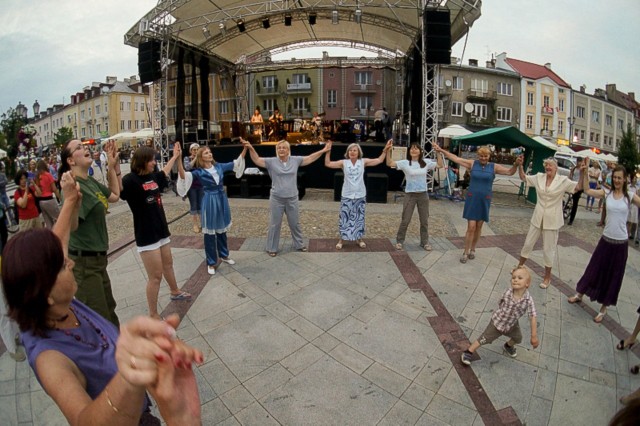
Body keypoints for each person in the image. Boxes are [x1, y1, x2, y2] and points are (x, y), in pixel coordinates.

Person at [1, 172, 203, 425]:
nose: (71, 263)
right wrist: (130, 371)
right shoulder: (48, 357)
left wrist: (71, 199)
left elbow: (58, 240)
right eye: (64, 265)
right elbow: (83, 420)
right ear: (45, 293)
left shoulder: (56, 304)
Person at [120, 144, 192, 319]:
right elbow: (118, 192)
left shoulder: (152, 176)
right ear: (142, 161)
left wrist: (175, 157)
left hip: (161, 230)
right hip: (146, 234)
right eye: (152, 159)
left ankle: (175, 291)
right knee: (155, 277)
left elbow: (164, 172)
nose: (154, 162)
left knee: (168, 264)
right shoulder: (130, 180)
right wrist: (113, 166)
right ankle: (153, 314)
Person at [57, 139, 122, 326]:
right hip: (84, 263)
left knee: (110, 311)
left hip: (98, 261)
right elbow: (72, 226)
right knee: (101, 321)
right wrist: (72, 201)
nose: (85, 148)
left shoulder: (89, 181)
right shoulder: (73, 186)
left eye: (84, 146)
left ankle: (118, 353)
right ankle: (110, 354)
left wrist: (111, 167)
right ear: (70, 161)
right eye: (79, 148)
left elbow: (115, 196)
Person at [567, 166, 640, 322]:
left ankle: (604, 308)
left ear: (625, 179)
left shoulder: (630, 196)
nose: (617, 180)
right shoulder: (607, 193)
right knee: (594, 268)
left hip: (621, 244)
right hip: (605, 240)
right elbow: (587, 190)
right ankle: (580, 294)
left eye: (620, 178)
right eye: (615, 177)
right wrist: (585, 173)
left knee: (614, 276)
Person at [242, 139, 330, 257]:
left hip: (292, 198)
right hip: (277, 198)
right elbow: (256, 159)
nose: (281, 150)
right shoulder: (271, 162)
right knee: (275, 223)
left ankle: (299, 244)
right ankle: (272, 247)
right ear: (276, 150)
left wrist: (323, 150)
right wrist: (251, 148)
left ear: (288, 150)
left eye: (284, 148)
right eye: (279, 148)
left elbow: (310, 158)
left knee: (294, 223)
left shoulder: (295, 160)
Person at [434, 145, 521, 262]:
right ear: (478, 156)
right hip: (472, 198)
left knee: (479, 226)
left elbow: (510, 172)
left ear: (489, 156)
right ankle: (465, 251)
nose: (483, 158)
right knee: (471, 226)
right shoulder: (473, 164)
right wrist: (441, 150)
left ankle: (473, 249)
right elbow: (455, 158)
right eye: (481, 156)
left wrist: (516, 164)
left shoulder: (494, 167)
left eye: (486, 156)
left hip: (484, 199)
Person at [514, 156, 587, 289]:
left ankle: (547, 277)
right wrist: (520, 165)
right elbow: (524, 178)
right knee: (528, 243)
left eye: (550, 165)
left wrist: (582, 173)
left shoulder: (562, 180)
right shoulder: (539, 177)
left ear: (556, 168)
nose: (548, 167)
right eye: (546, 165)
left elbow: (578, 187)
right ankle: (519, 266)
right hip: (538, 217)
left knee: (549, 249)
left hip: (552, 220)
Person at [177, 143, 247, 275]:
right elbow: (183, 175)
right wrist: (178, 158)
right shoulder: (198, 172)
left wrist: (245, 148)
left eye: (210, 152)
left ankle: (224, 255)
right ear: (201, 157)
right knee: (209, 233)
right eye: (206, 153)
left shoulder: (219, 166)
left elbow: (236, 162)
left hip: (221, 199)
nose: (209, 154)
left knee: (222, 229)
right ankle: (211, 262)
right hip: (209, 200)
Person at [461, 266, 538, 365]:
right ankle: (468, 352)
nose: (515, 280)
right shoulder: (508, 292)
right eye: (513, 277)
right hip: (498, 322)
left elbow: (533, 317)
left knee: (518, 338)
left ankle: (508, 346)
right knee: (484, 338)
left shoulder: (528, 300)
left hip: (512, 324)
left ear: (527, 283)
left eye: (520, 278)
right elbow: (500, 302)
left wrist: (534, 336)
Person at [324, 142, 390, 250]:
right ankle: (342, 239)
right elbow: (328, 164)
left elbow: (379, 160)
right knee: (345, 217)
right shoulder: (344, 163)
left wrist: (385, 149)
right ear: (347, 152)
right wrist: (328, 151)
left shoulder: (363, 162)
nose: (352, 152)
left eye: (355, 150)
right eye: (350, 150)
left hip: (360, 194)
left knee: (359, 218)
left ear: (359, 152)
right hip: (347, 194)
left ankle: (359, 238)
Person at [385, 140, 443, 251]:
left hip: (423, 194)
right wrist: (388, 151)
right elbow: (389, 163)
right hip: (410, 194)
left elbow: (439, 165)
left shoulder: (425, 162)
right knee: (405, 219)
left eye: (416, 148)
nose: (413, 150)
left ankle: (424, 242)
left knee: (424, 220)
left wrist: (438, 152)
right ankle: (399, 241)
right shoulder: (405, 163)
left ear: (420, 151)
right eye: (412, 148)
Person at [184, 143, 204, 233]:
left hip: (200, 185)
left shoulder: (201, 159)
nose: (196, 151)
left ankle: (203, 224)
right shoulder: (187, 158)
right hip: (191, 186)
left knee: (201, 205)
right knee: (194, 205)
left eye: (197, 150)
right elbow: (187, 167)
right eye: (194, 150)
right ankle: (195, 224)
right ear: (191, 151)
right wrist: (195, 158)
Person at [35, 159, 61, 229]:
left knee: (48, 222)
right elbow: (54, 189)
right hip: (49, 199)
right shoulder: (48, 175)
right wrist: (60, 198)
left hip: (41, 201)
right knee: (59, 218)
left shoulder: (37, 177)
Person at [567, 159, 585, 225]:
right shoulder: (574, 168)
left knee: (575, 203)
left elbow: (583, 179)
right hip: (573, 185)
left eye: (580, 161)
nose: (579, 163)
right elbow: (570, 176)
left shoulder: (582, 170)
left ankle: (571, 219)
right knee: (568, 199)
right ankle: (566, 210)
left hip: (579, 188)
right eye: (578, 161)